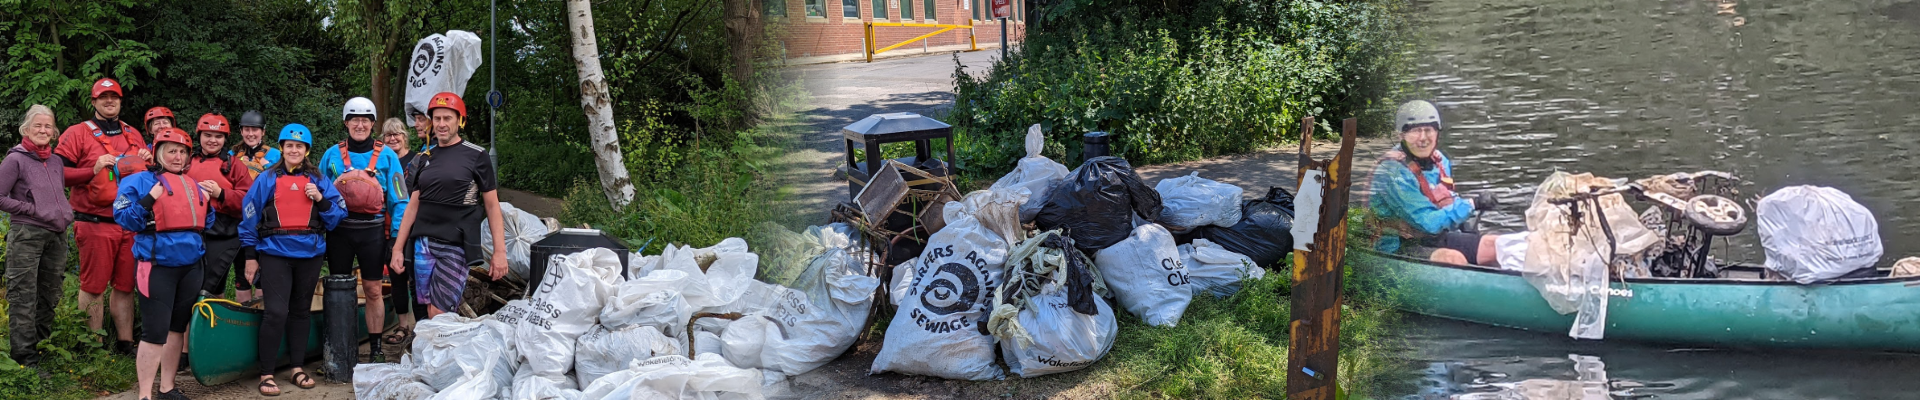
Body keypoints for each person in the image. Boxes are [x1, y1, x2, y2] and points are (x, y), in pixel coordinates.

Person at [238, 123, 345, 396]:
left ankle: (297, 368)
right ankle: (266, 373)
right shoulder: (266, 178)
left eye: (299, 146)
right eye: (289, 145)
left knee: (300, 312)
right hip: (274, 253)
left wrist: (320, 199)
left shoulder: (319, 180)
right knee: (275, 313)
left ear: (306, 150)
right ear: (282, 149)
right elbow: (249, 216)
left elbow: (337, 215)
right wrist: (251, 256)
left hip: (310, 253)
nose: (294, 150)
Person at [114, 127, 217, 400]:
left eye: (183, 151)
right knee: (154, 331)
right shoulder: (138, 181)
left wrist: (205, 201)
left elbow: (207, 220)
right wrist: (150, 200)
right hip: (156, 265)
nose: (178, 156)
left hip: (191, 265)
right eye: (172, 150)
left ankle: (167, 388)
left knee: (176, 328)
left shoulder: (194, 184)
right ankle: (145, 394)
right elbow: (125, 219)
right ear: (158, 152)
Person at [388, 92, 508, 319]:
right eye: (437, 118)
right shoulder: (424, 157)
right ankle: (429, 353)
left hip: (456, 245)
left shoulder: (476, 155)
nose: (441, 124)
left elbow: (492, 206)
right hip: (423, 243)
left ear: (460, 121)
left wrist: (500, 252)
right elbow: (413, 206)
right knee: (423, 309)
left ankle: (440, 350)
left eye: (447, 118)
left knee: (440, 311)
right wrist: (397, 248)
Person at [54, 77, 150, 355]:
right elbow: (57, 173)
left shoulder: (133, 134)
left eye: (115, 97)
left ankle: (125, 343)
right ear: (93, 101)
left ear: (121, 101)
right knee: (93, 286)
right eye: (103, 97)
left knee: (125, 285)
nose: (110, 102)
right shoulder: (77, 133)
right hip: (95, 222)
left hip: (130, 224)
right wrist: (92, 169)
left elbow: (147, 177)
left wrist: (149, 159)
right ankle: (92, 346)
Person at [315, 97, 408, 363]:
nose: (359, 124)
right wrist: (319, 235)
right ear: (346, 123)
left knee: (374, 290)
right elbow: (319, 194)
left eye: (365, 120)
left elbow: (400, 200)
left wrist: (395, 240)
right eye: (354, 119)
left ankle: (376, 349)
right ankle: (339, 349)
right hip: (340, 232)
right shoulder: (331, 155)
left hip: (373, 232)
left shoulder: (388, 156)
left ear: (372, 124)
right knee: (338, 290)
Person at [1370, 100, 1499, 266]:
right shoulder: (1392, 172)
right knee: (1453, 259)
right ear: (1401, 135)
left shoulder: (1439, 160)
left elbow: (1447, 200)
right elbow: (1428, 223)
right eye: (1416, 131)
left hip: (1433, 238)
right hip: (1397, 247)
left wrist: (1465, 226)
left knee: (1493, 245)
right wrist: (1471, 205)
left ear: (1437, 132)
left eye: (1428, 130)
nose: (1423, 138)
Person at [2, 104, 74, 375]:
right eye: (38, 126)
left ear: (54, 132)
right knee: (23, 295)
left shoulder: (55, 161)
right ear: (26, 129)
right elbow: (0, 196)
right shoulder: (15, 159)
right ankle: (24, 360)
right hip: (26, 235)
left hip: (56, 235)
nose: (43, 130)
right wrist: (32, 210)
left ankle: (42, 348)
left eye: (48, 126)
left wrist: (64, 212)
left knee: (49, 294)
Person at [188, 113, 255, 300]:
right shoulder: (186, 161)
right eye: (207, 135)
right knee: (194, 282)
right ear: (199, 135)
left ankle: (217, 320)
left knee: (212, 283)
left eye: (218, 136)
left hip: (223, 231)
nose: (212, 140)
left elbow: (248, 201)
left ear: (225, 139)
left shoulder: (234, 166)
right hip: (193, 229)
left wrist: (221, 193)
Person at [377, 117, 427, 348]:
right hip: (387, 227)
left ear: (404, 136)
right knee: (396, 277)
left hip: (413, 226)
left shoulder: (417, 160)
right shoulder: (380, 161)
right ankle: (402, 325)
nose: (393, 138)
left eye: (397, 134)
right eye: (388, 135)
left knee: (415, 277)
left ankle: (422, 327)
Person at [231, 110, 281, 179]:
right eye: (247, 129)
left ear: (263, 132)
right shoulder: (232, 154)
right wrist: (237, 161)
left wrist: (267, 165)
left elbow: (283, 180)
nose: (250, 134)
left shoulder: (276, 155)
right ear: (241, 132)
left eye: (255, 129)